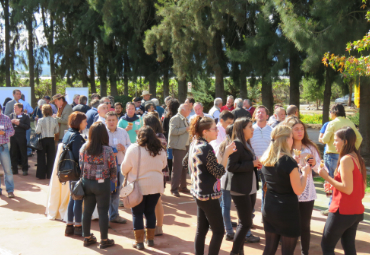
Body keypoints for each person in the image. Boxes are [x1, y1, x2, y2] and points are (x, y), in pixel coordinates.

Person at [183, 116, 236, 255]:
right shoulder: (206, 147)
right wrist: (226, 154)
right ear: (205, 131)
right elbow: (219, 172)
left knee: (201, 230)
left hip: (198, 193)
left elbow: (185, 163)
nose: (217, 131)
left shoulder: (195, 143)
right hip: (208, 195)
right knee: (219, 231)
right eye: (214, 129)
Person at [260, 125, 311, 255]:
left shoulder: (266, 158)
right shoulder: (288, 161)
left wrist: (295, 166)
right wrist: (304, 173)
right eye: (291, 138)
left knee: (269, 248)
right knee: (287, 252)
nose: (292, 141)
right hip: (286, 211)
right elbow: (298, 190)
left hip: (270, 208)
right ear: (286, 140)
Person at [319, 127, 366, 255]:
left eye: (336, 140)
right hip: (354, 211)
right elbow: (358, 186)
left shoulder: (346, 159)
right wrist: (333, 186)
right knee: (349, 246)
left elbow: (347, 189)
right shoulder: (357, 157)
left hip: (342, 211)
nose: (333, 143)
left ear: (345, 142)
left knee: (326, 246)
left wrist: (326, 177)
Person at [121, 126, 167, 250]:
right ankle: (150, 240)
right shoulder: (160, 149)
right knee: (150, 212)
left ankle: (139, 242)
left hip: (138, 186)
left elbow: (124, 168)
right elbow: (164, 165)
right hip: (156, 185)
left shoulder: (133, 149)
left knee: (137, 213)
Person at [284, 116, 321, 255]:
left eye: (302, 129)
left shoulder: (310, 148)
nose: (300, 132)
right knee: (290, 225)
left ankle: (304, 252)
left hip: (307, 192)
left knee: (305, 225)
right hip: (290, 191)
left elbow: (320, 168)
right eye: (296, 129)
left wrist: (314, 164)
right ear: (290, 132)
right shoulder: (285, 147)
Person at [224, 117, 261, 255]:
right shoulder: (237, 144)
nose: (253, 129)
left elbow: (245, 164)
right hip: (240, 189)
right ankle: (234, 252)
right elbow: (231, 166)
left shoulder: (246, 143)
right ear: (242, 129)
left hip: (249, 188)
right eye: (250, 126)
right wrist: (252, 164)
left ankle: (239, 252)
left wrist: (255, 164)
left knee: (244, 222)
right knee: (245, 223)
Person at [321, 103, 362, 216]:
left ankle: (331, 207)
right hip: (346, 154)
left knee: (331, 180)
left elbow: (324, 140)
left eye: (330, 111)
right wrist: (352, 149)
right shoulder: (349, 123)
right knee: (343, 181)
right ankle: (336, 205)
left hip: (332, 155)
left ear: (334, 112)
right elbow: (359, 137)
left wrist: (324, 138)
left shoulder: (332, 123)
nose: (330, 114)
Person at [80, 122, 116, 249]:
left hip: (87, 182)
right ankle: (104, 239)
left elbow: (81, 165)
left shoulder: (84, 147)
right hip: (102, 183)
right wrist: (113, 181)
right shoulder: (107, 150)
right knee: (103, 212)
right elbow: (113, 168)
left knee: (87, 211)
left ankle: (87, 237)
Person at [143, 114, 169, 236]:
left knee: (155, 202)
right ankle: (157, 227)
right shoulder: (162, 136)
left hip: (154, 172)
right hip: (160, 173)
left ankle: (155, 227)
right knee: (157, 201)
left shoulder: (154, 138)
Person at [63, 112, 87, 237]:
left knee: (73, 198)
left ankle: (69, 225)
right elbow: (79, 157)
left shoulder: (68, 133)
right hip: (76, 171)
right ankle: (78, 226)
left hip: (69, 171)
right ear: (79, 122)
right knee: (77, 198)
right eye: (85, 121)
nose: (86, 123)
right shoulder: (77, 136)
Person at [105, 111, 131, 224]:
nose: (111, 122)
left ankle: (114, 215)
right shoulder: (101, 133)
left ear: (117, 121)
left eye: (113, 120)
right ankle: (103, 216)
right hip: (105, 167)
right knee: (105, 191)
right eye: (109, 120)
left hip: (120, 164)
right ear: (105, 121)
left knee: (116, 190)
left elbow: (130, 146)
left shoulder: (123, 132)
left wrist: (124, 148)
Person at [215, 124, 236, 241]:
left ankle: (228, 229)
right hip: (230, 178)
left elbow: (217, 161)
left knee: (225, 205)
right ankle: (229, 230)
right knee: (227, 205)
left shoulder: (222, 145)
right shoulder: (232, 145)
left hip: (223, 178)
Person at [168, 104, 191, 197]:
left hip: (185, 146)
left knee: (184, 168)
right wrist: (186, 129)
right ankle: (174, 189)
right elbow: (173, 131)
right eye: (188, 109)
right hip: (178, 147)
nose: (190, 111)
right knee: (177, 168)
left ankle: (183, 186)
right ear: (182, 110)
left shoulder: (185, 118)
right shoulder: (175, 118)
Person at [34, 105, 59, 179]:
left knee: (41, 157)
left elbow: (37, 131)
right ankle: (50, 174)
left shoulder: (40, 120)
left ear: (43, 111)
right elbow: (56, 131)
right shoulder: (54, 120)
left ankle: (41, 175)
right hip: (51, 139)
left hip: (43, 140)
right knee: (51, 157)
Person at [9, 103, 30, 176]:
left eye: (16, 108)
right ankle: (14, 169)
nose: (15, 109)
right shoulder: (11, 115)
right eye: (14, 108)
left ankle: (25, 169)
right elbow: (7, 126)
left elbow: (27, 127)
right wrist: (10, 122)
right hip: (13, 137)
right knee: (13, 153)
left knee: (23, 153)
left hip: (21, 137)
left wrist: (19, 123)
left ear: (21, 108)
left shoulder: (25, 116)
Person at [0, 103, 15, 198]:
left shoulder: (6, 118)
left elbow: (12, 131)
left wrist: (4, 132)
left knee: (7, 169)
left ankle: (10, 190)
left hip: (3, 146)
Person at [162, 98, 180, 180]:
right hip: (178, 140)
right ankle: (177, 174)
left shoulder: (166, 117)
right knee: (177, 157)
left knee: (169, 157)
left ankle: (169, 172)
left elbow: (164, 129)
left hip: (169, 140)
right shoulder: (179, 117)